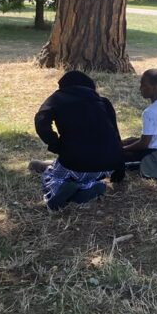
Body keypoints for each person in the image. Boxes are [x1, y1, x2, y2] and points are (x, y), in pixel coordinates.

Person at [34, 71, 125, 211]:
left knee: (50, 175)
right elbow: (116, 135)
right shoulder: (104, 102)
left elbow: (41, 120)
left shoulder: (57, 98)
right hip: (106, 165)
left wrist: (55, 145)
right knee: (88, 175)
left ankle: (56, 193)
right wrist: (119, 167)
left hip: (74, 162)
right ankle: (88, 188)